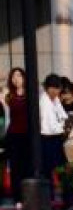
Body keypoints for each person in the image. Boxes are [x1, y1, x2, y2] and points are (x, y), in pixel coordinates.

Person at [3, 67, 30, 202]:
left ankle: (28, 197)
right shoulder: (8, 95)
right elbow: (7, 117)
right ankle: (17, 199)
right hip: (13, 136)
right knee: (15, 168)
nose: (16, 79)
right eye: (13, 76)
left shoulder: (31, 93)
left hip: (28, 136)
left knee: (27, 167)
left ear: (24, 77)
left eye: (19, 75)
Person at [39, 75, 68, 183]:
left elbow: (62, 116)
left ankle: (66, 196)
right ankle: (49, 196)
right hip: (47, 138)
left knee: (62, 168)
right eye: (53, 87)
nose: (56, 91)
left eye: (58, 88)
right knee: (49, 169)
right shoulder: (43, 101)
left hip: (57, 137)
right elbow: (49, 124)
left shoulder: (55, 99)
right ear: (47, 88)